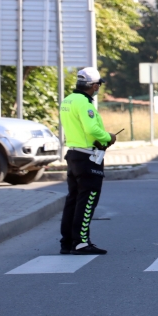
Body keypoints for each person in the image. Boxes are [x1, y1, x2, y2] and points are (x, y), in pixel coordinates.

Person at [59, 67, 116, 255]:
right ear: (93, 85)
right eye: (98, 84)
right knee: (88, 199)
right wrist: (109, 137)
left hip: (74, 154)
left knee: (73, 200)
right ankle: (81, 242)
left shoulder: (68, 100)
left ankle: (67, 241)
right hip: (87, 157)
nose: (99, 87)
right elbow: (92, 130)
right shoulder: (84, 103)